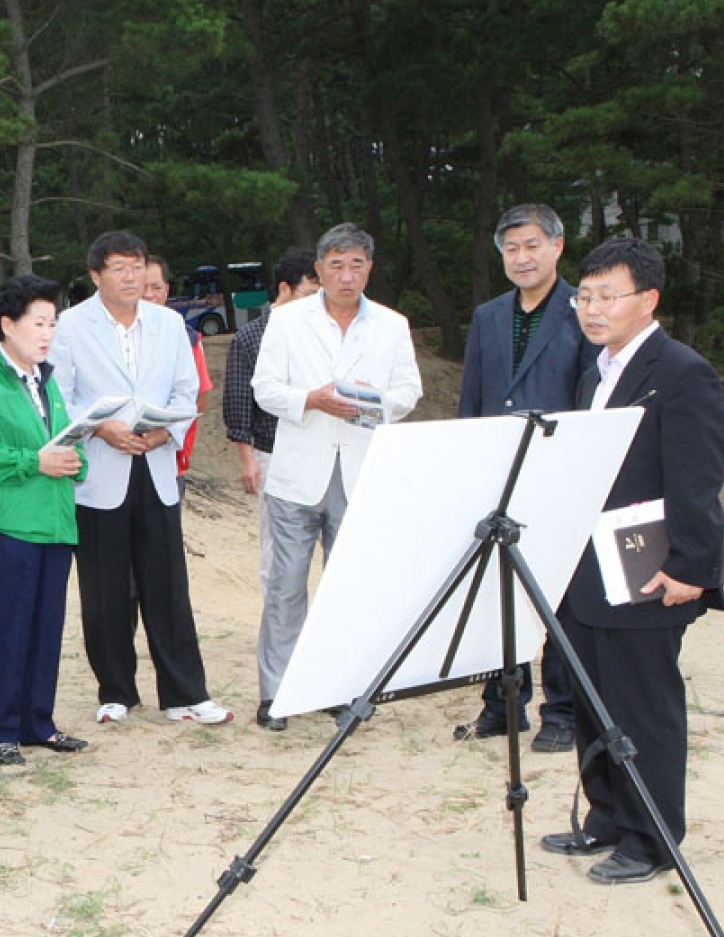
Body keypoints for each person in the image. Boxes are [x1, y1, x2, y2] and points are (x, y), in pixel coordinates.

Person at [544, 237, 724, 885]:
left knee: (643, 703)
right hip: (589, 565)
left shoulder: (681, 370)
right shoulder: (595, 369)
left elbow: (698, 478)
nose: (591, 308)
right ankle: (608, 816)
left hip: (651, 565)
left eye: (606, 295)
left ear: (647, 299)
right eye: (584, 296)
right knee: (595, 697)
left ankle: (653, 838)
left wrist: (691, 567)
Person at [48, 230, 229, 727]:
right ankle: (116, 691)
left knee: (167, 584)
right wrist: (100, 428)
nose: (131, 277)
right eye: (119, 268)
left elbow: (186, 390)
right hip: (100, 471)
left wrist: (163, 434)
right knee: (104, 588)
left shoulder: (170, 323)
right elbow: (59, 398)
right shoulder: (70, 326)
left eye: (137, 267)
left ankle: (184, 692)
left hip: (156, 465)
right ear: (95, 276)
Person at [251, 224, 423, 726]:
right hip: (296, 474)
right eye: (336, 265)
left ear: (370, 268)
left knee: (348, 587)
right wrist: (311, 398)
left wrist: (371, 406)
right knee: (285, 584)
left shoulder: (392, 325)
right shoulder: (286, 322)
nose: (346, 276)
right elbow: (265, 388)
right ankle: (276, 693)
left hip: (359, 471)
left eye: (357, 265)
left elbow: (408, 390)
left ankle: (341, 687)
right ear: (319, 269)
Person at [454, 204, 593, 753]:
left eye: (532, 245)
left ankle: (561, 711)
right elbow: (474, 396)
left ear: (557, 247)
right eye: (511, 248)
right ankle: (504, 705)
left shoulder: (583, 309)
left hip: (557, 470)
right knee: (498, 591)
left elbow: (588, 395)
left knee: (557, 595)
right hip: (497, 470)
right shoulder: (489, 315)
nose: (522, 257)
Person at [0, 274, 88, 764]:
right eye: (38, 323)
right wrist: (36, 461)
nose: (47, 333)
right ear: (7, 325)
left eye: (53, 323)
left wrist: (73, 459)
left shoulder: (45, 381)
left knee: (47, 626)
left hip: (54, 522)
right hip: (4, 525)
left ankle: (38, 723)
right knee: (8, 626)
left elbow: (63, 441)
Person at [221, 249, 318, 730]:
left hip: (327, 457)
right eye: (309, 289)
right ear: (286, 288)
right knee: (277, 562)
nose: (316, 299)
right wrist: (246, 459)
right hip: (273, 453)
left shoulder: (326, 332)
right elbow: (238, 397)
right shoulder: (254, 334)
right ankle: (282, 654)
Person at [145, 255, 212, 483]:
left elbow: (199, 398)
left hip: (171, 460)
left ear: (167, 290)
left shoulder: (188, 338)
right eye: (143, 287)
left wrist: (165, 432)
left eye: (156, 287)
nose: (149, 295)